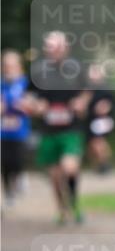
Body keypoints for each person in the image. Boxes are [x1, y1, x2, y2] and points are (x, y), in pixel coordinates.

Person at [27, 31, 91, 224]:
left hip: (71, 128)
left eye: (57, 47)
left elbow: (87, 90)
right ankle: (62, 209)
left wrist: (82, 102)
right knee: (55, 176)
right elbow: (28, 95)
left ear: (66, 48)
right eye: (50, 47)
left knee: (70, 168)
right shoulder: (38, 71)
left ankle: (74, 203)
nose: (53, 50)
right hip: (48, 130)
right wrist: (36, 106)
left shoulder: (76, 68)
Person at [1, 50, 31, 207]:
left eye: (12, 65)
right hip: (3, 130)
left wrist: (25, 105)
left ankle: (20, 175)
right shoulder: (1, 84)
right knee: (5, 162)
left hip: (20, 130)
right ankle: (8, 193)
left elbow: (32, 104)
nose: (9, 68)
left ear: (19, 66)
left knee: (17, 159)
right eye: (6, 65)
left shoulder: (25, 83)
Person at [86, 64, 115, 174]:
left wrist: (105, 107)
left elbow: (111, 104)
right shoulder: (88, 89)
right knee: (93, 145)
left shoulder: (104, 89)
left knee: (99, 142)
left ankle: (105, 165)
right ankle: (99, 165)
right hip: (91, 120)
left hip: (101, 121)